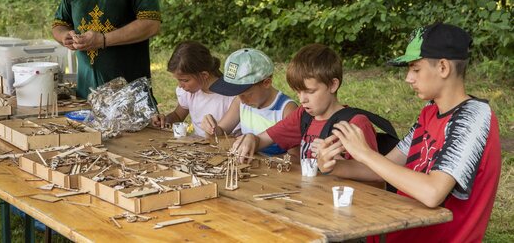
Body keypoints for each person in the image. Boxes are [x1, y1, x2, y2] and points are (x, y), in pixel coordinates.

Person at [315, 23, 501, 242]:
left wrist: (365, 153)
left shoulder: (474, 116)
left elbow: (433, 193)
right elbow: (383, 169)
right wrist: (334, 166)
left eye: (415, 69)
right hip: (391, 230)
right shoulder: (430, 112)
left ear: (443, 67)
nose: (408, 78)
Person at [233, 43, 379, 164]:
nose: (302, 99)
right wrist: (252, 138)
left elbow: (376, 177)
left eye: (310, 91)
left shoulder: (356, 124)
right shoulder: (302, 115)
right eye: (298, 92)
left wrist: (338, 164)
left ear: (333, 85)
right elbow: (263, 139)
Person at [201, 48, 297, 154]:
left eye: (247, 94)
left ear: (266, 83)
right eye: (239, 94)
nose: (242, 100)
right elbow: (220, 134)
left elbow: (295, 158)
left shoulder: (287, 109)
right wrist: (211, 128)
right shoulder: (240, 102)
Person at [155, 41, 236, 137]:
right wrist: (165, 121)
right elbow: (178, 115)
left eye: (185, 80)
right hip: (199, 147)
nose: (180, 85)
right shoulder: (190, 92)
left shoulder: (230, 96)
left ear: (204, 75)